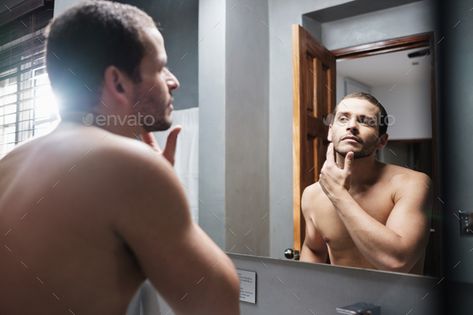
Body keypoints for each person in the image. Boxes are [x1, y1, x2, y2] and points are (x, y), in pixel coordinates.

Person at [0, 1, 240, 314]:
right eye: (160, 67)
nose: (173, 81)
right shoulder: (129, 167)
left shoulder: (11, 163)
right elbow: (217, 303)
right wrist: (154, 179)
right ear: (117, 82)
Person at [300, 92, 431, 274]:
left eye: (365, 121)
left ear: (382, 141)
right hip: (340, 301)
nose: (352, 126)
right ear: (330, 131)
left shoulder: (412, 183)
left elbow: (397, 260)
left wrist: (338, 195)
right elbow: (313, 249)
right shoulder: (312, 195)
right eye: (343, 119)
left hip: (401, 302)